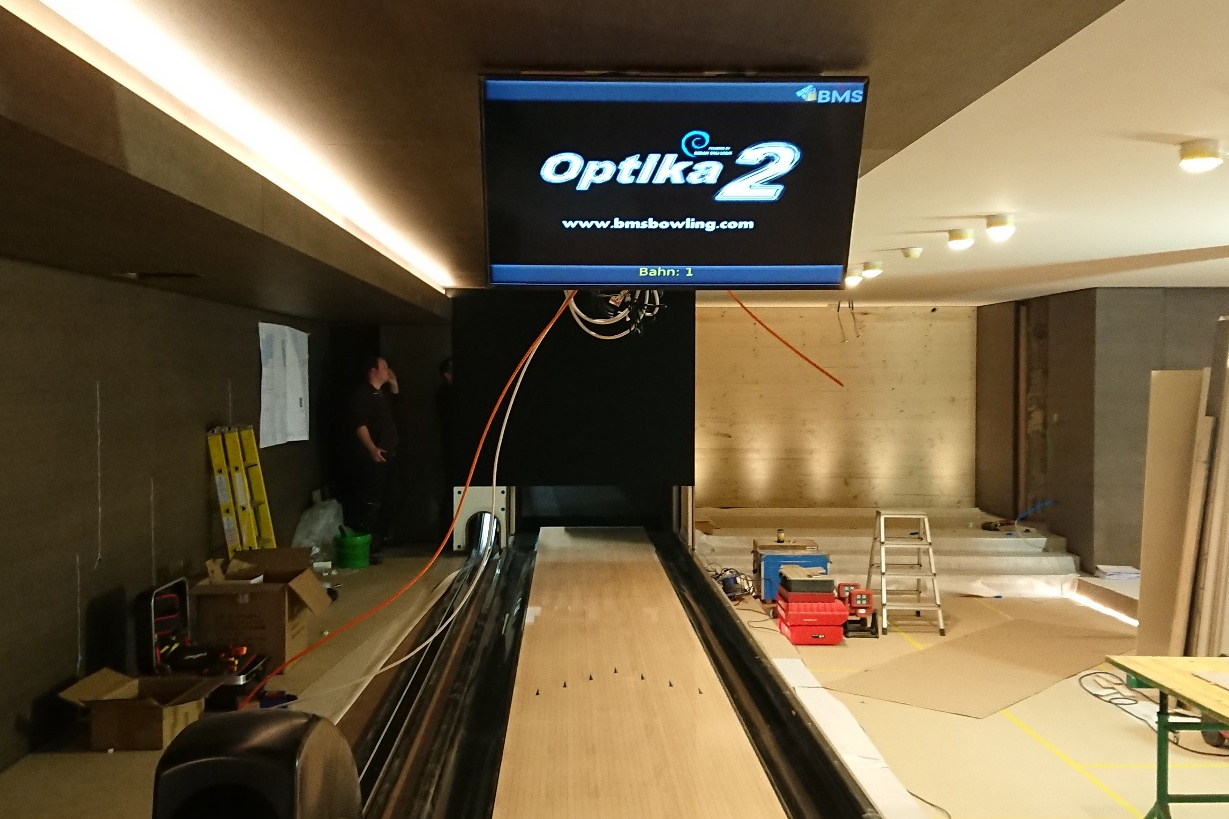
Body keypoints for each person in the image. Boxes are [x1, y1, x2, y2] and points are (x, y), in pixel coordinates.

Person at [346, 355, 399, 560]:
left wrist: (393, 383)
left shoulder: (380, 394)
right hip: (374, 456)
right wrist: (371, 448)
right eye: (384, 367)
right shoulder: (363, 394)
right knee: (372, 501)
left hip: (388, 453)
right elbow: (359, 424)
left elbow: (395, 407)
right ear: (373, 370)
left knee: (389, 497)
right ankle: (365, 545)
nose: (388, 370)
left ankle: (379, 540)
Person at [434, 357, 454, 540]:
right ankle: (447, 534)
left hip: (451, 448)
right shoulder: (444, 394)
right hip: (450, 449)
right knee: (451, 490)